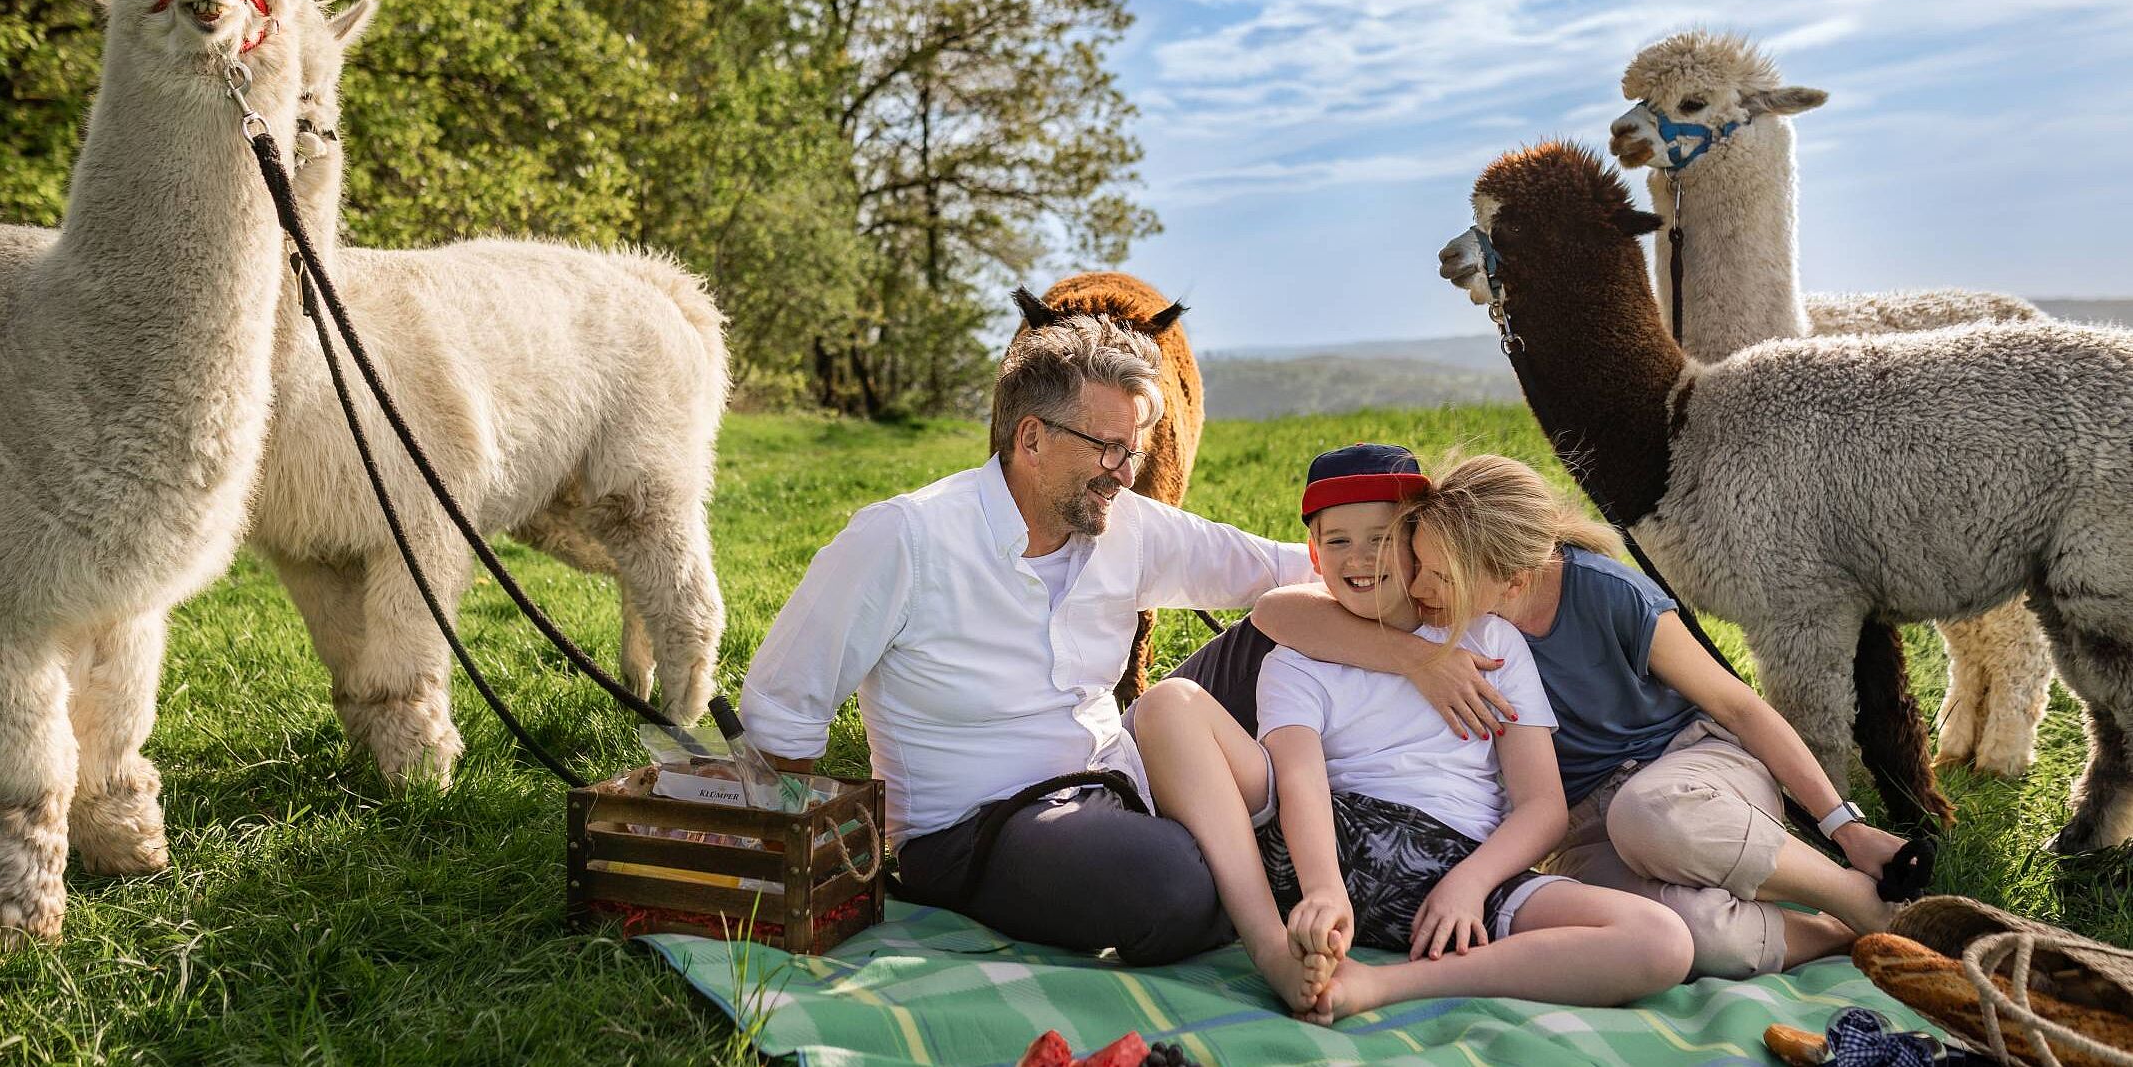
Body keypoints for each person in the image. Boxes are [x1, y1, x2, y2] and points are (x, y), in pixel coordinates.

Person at [738, 311, 1315, 964]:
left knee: (1279, 629)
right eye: (1106, 447)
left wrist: (1420, 632)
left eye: (1133, 451)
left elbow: (1287, 568)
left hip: (1121, 772)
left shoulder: (1127, 526)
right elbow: (781, 711)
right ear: (1031, 438)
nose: (1124, 474)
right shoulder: (905, 538)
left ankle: (1323, 831)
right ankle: (1273, 856)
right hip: (978, 829)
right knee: (1175, 885)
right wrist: (777, 869)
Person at [1252, 454, 1914, 980]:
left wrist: (1845, 827)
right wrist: (1411, 657)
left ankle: (1852, 895)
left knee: (1652, 815)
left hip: (1690, 772)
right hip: (1582, 822)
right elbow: (1276, 613)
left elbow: (1737, 705)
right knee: (1696, 939)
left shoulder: (1607, 595)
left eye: (1435, 575)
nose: (1418, 588)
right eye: (1418, 565)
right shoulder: (1458, 625)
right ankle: (1839, 938)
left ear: (1508, 580)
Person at [1134, 444, 1693, 1020]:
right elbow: (1299, 778)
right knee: (1168, 703)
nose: (1360, 558)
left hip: (1460, 865)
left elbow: (1542, 806)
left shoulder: (1488, 640)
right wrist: (1323, 887)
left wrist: (1472, 882)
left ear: (1419, 545)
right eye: (1338, 541)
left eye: (1382, 538)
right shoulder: (1298, 659)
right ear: (1314, 554)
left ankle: (1383, 986)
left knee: (1661, 941)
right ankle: (1272, 947)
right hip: (1320, 844)